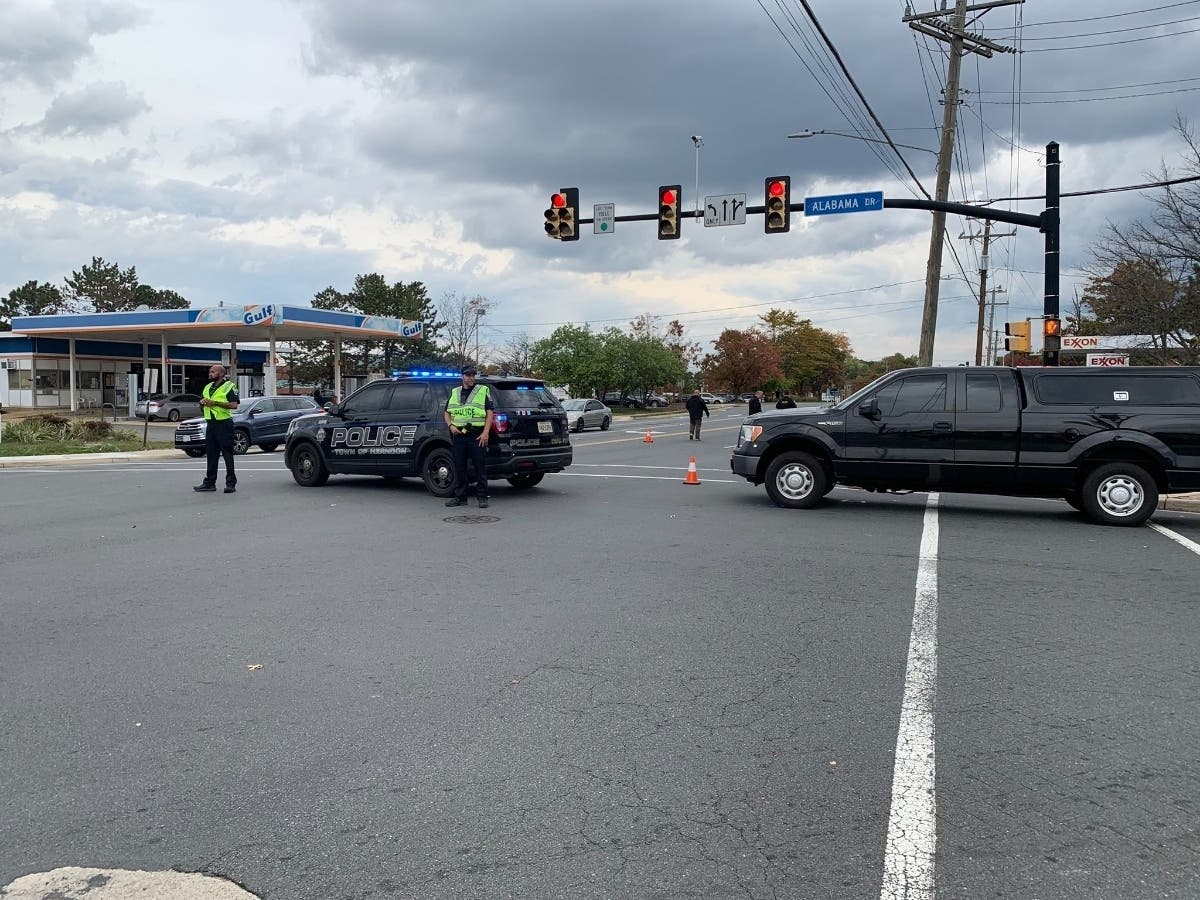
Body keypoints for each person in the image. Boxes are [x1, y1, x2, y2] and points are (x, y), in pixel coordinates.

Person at [443, 365, 495, 508]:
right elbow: (447, 412)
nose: (471, 378)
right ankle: (460, 497)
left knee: (480, 467)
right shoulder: (455, 392)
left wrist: (486, 432)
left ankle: (482, 497)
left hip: (477, 435)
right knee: (459, 466)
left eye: (473, 375)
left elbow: (490, 412)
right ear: (462, 377)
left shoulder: (482, 391)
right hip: (459, 435)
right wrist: (450, 426)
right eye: (468, 375)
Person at [194, 364, 240, 494]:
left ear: (221, 374)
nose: (210, 373)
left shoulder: (229, 386)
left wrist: (215, 403)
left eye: (213, 372)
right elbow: (202, 405)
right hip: (211, 424)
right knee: (211, 454)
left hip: (224, 424)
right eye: (210, 371)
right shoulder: (207, 387)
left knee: (227, 454)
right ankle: (209, 483)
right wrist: (202, 404)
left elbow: (234, 405)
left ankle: (231, 483)